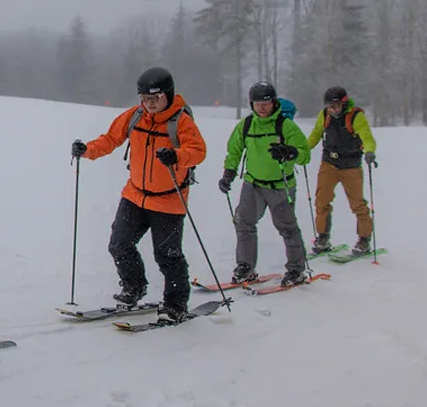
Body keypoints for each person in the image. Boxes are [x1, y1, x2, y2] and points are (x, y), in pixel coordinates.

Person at [71, 66, 207, 321]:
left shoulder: (181, 121)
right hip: (135, 195)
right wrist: (86, 149)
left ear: (168, 94)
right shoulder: (135, 116)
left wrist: (176, 156)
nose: (149, 103)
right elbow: (111, 139)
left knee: (167, 256)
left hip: (168, 200)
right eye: (144, 98)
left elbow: (198, 150)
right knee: (119, 244)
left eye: (154, 97)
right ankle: (134, 287)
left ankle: (176, 303)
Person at [218, 82, 312, 287]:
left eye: (266, 103)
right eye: (257, 103)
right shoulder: (246, 125)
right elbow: (234, 151)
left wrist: (289, 152)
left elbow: (305, 156)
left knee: (287, 227)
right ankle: (245, 266)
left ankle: (296, 269)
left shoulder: (285, 126)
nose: (261, 107)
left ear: (273, 103)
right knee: (243, 223)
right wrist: (228, 174)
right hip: (252, 184)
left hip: (280, 185)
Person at [307, 84, 378, 256]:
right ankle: (323, 238)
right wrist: (301, 151)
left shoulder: (356, 116)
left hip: (351, 166)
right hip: (329, 163)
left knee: (358, 205)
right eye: (329, 106)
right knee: (321, 201)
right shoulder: (325, 115)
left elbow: (367, 137)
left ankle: (364, 240)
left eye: (335, 106)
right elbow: (316, 134)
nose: (332, 109)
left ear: (344, 104)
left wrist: (369, 152)